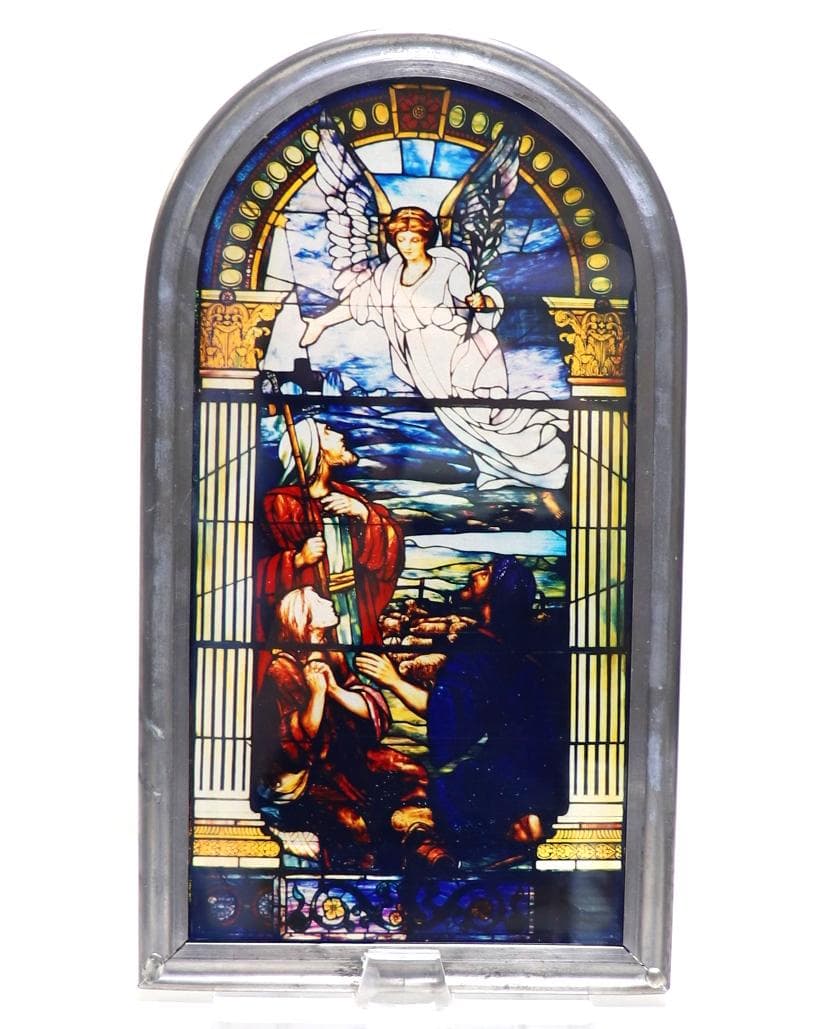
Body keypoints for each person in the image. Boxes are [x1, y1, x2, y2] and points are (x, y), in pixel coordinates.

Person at [299, 207, 568, 492]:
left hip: (457, 354)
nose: (407, 246)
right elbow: (359, 302)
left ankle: (536, 462)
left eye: (414, 239)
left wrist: (483, 302)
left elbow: (473, 303)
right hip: (421, 362)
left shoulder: (449, 267)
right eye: (401, 239)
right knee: (459, 422)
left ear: (426, 239)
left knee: (477, 415)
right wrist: (321, 322)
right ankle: (497, 469)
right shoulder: (388, 274)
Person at [356, 556, 570, 864]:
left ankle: (498, 833)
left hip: (509, 768)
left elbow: (447, 715)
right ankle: (525, 818)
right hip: (546, 769)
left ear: (497, 593)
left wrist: (392, 680)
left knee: (421, 800)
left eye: (488, 573)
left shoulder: (480, 648)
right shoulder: (510, 642)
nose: (477, 571)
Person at [250, 586, 433, 871]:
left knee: (413, 771)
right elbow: (296, 744)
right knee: (352, 822)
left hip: (349, 755)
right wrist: (317, 695)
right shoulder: (281, 669)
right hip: (312, 776)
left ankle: (419, 841)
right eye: (319, 600)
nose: (328, 601)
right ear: (305, 618)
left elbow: (368, 705)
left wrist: (334, 690)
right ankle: (365, 878)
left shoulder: (332, 654)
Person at [255, 417, 403, 655]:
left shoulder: (349, 496)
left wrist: (362, 513)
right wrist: (298, 560)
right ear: (314, 450)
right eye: (327, 432)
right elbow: (253, 573)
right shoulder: (282, 504)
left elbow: (390, 552)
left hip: (356, 608)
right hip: (315, 615)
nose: (340, 435)